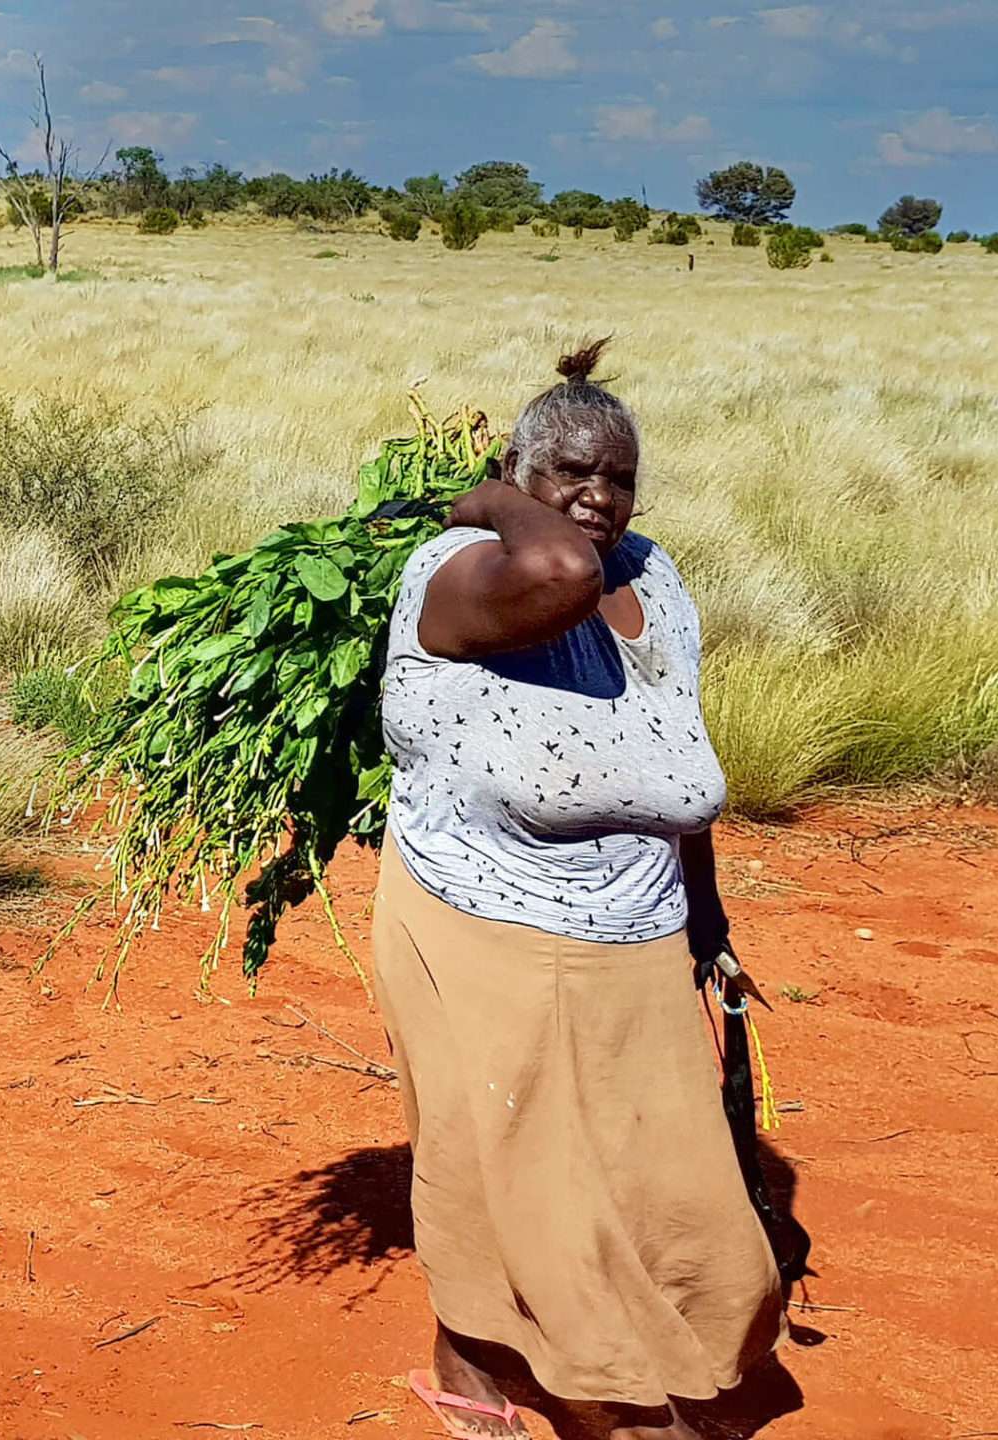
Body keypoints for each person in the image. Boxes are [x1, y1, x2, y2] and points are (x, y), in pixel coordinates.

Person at [372, 340, 785, 1440]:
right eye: (568, 474)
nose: (597, 499)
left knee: (670, 1192)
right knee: (504, 1172)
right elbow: (557, 569)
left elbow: (671, 753)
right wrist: (487, 499)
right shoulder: (465, 571)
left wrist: (707, 915)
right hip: (482, 922)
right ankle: (525, 1383)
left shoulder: (655, 575)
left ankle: (540, 1362)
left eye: (619, 479)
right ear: (516, 473)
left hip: (639, 932)